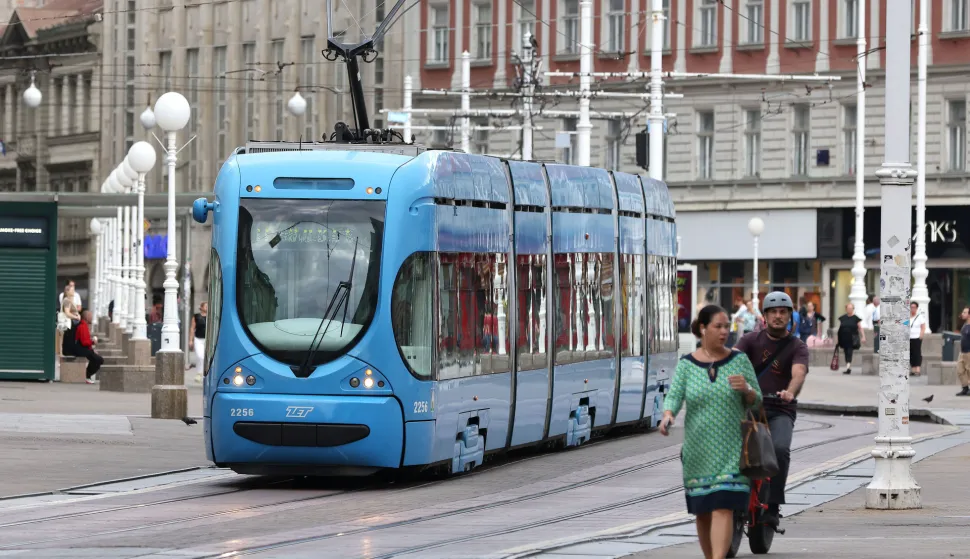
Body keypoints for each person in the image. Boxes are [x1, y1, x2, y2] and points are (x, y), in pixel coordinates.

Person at [660, 304, 762, 559]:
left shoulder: (739, 361)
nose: (724, 331)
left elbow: (758, 400)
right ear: (703, 329)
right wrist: (667, 415)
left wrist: (747, 390)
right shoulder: (687, 365)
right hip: (698, 454)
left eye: (727, 326)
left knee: (724, 507)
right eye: (718, 326)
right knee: (703, 511)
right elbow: (674, 396)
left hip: (732, 451)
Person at [734, 291, 809, 527]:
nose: (778, 316)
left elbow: (798, 374)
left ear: (790, 317)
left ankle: (774, 505)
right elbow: (732, 360)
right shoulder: (749, 340)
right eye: (773, 312)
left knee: (779, 449)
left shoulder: (797, 346)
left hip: (779, 409)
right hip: (746, 407)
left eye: (783, 312)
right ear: (764, 316)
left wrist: (789, 392)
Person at [74, 310, 104, 384]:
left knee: (97, 358)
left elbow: (85, 341)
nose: (92, 318)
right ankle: (87, 375)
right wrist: (93, 342)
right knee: (98, 359)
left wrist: (92, 348)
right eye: (90, 316)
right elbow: (84, 342)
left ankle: (88, 375)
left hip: (83, 348)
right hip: (81, 349)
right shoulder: (83, 326)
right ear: (87, 317)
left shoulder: (84, 326)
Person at [836, 303, 865, 375]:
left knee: (849, 351)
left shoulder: (856, 318)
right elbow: (840, 328)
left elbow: (860, 328)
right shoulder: (843, 318)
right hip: (844, 338)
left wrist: (863, 336)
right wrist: (838, 339)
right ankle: (848, 366)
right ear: (846, 309)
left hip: (852, 338)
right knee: (846, 352)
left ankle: (848, 367)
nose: (849, 310)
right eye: (848, 308)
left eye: (851, 308)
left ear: (853, 309)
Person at [908, 302, 927, 376]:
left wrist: (921, 336)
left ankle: (917, 369)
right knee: (911, 353)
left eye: (914, 307)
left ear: (916, 308)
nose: (912, 309)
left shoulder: (920, 317)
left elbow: (923, 327)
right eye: (911, 307)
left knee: (917, 353)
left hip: (916, 337)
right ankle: (913, 369)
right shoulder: (908, 317)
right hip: (909, 337)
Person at [189, 302, 208, 370]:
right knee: (200, 356)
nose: (207, 307)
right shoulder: (196, 316)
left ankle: (202, 372)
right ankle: (200, 371)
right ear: (201, 307)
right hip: (198, 339)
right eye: (206, 306)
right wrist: (191, 340)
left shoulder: (211, 316)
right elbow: (192, 328)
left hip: (208, 340)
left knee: (205, 357)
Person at [956, 306, 970, 397]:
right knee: (960, 370)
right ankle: (965, 388)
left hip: (969, 352)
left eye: (965, 312)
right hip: (962, 352)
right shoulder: (964, 325)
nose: (962, 314)